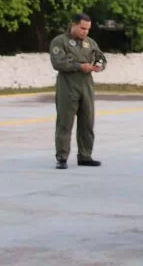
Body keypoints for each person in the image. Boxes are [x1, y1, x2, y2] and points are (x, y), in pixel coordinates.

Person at [49, 13, 107, 170]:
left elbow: (101, 58)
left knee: (87, 122)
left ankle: (85, 156)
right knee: (65, 123)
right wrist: (80, 66)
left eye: (88, 29)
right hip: (67, 85)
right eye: (82, 28)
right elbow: (58, 62)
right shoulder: (60, 41)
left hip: (86, 85)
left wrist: (99, 66)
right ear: (73, 25)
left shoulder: (90, 43)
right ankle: (61, 157)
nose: (85, 32)